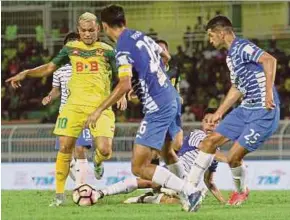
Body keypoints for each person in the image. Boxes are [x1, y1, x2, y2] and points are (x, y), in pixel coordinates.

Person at [84, 5, 202, 212]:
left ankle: (190, 191)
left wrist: (99, 110)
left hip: (158, 106)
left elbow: (124, 84)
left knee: (139, 167)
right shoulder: (140, 36)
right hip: (170, 96)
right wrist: (146, 80)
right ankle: (188, 192)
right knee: (167, 152)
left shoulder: (122, 48)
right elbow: (164, 54)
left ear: (103, 26)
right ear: (125, 22)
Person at [6, 12, 124, 206]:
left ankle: (98, 160)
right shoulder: (70, 49)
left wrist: (124, 96)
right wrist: (26, 73)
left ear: (98, 30)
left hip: (100, 107)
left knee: (104, 149)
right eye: (84, 31)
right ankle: (59, 195)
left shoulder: (108, 51)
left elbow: (122, 77)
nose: (87, 34)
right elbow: (48, 68)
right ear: (79, 31)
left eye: (91, 30)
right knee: (65, 147)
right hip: (73, 107)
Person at [187, 16, 280, 207]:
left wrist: (268, 92)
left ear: (222, 33)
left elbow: (270, 60)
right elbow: (237, 87)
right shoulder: (231, 56)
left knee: (233, 158)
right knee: (208, 141)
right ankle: (188, 189)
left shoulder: (242, 46)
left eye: (211, 35)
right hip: (246, 108)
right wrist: (220, 111)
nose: (210, 40)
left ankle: (240, 191)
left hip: (263, 111)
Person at [95, 108, 226, 205]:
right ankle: (102, 192)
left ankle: (146, 198)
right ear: (202, 123)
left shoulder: (214, 154)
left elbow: (209, 181)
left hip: (187, 184)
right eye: (207, 121)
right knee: (149, 182)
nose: (210, 124)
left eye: (215, 122)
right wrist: (229, 159)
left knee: (176, 202)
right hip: (174, 172)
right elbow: (205, 147)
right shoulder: (198, 134)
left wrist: (223, 202)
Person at [41, 32, 92, 184]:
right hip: (64, 114)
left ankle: (82, 186)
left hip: (83, 113)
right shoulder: (59, 69)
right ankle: (81, 185)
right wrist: (50, 96)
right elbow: (56, 89)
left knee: (80, 149)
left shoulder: (89, 66)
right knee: (66, 155)